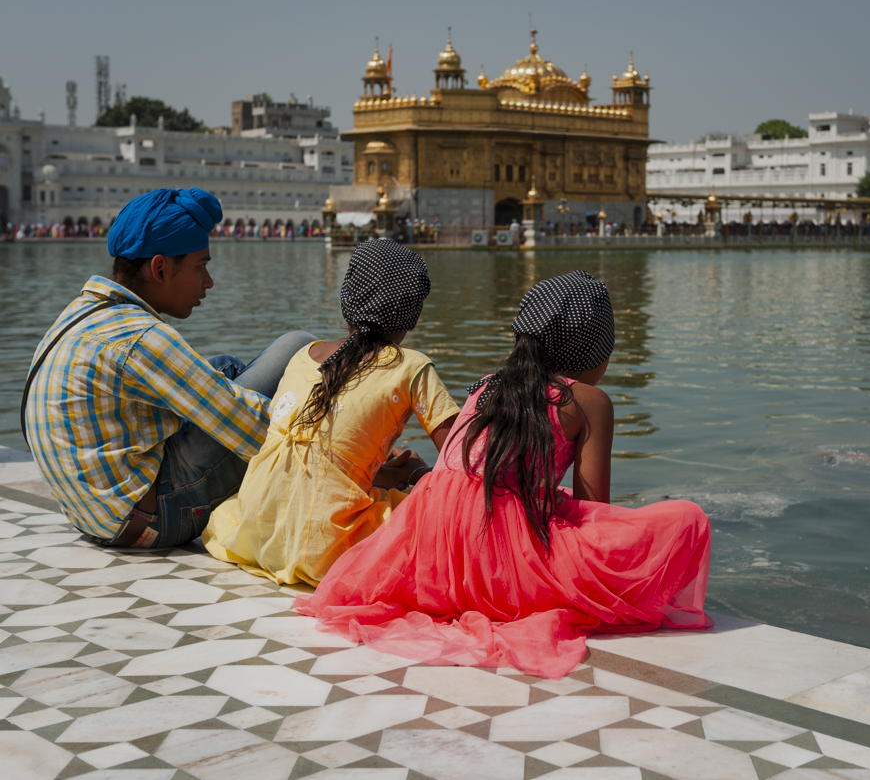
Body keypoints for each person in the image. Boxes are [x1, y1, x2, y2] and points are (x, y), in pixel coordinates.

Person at [296, 270, 713, 679]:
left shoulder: (488, 385)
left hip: (433, 555)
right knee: (686, 521)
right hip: (497, 561)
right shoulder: (588, 400)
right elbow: (595, 510)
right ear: (595, 350)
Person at [23, 188, 315, 549]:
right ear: (160, 268)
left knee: (225, 367)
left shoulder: (80, 314)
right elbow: (249, 425)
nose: (208, 282)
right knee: (298, 346)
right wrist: (355, 454)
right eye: (201, 266)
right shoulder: (141, 336)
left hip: (97, 519)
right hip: (157, 517)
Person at [203, 239, 461, 586]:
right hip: (332, 551)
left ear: (347, 299)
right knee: (430, 509)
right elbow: (465, 461)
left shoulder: (303, 355)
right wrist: (415, 474)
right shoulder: (410, 366)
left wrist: (380, 472)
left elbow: (322, 455)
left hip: (256, 535)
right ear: (409, 312)